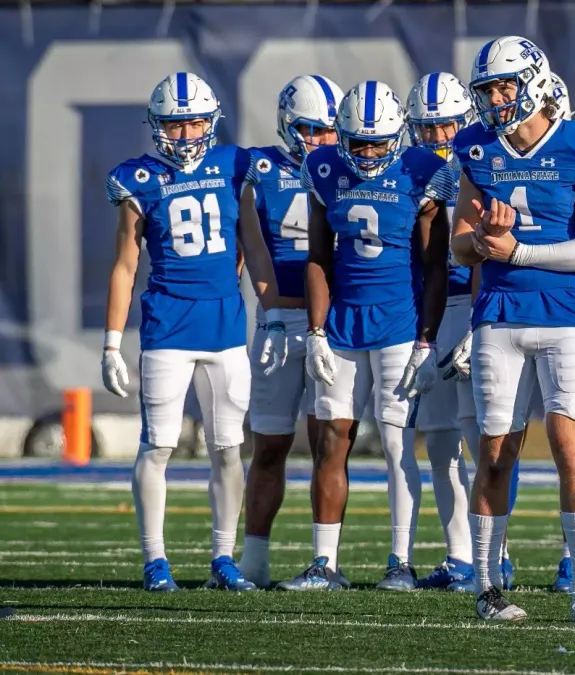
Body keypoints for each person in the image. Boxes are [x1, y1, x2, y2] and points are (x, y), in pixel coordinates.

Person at [450, 36, 575, 624]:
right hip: (498, 316)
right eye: (487, 90)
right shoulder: (474, 146)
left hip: (567, 318)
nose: (496, 99)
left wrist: (518, 251)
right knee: (495, 454)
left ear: (536, 83)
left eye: (504, 86)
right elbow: (461, 247)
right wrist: (481, 242)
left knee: (573, 452)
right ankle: (488, 588)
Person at [103, 72, 287, 592]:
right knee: (157, 447)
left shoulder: (234, 166)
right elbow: (124, 265)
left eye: (194, 123)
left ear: (211, 122)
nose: (184, 134)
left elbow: (254, 247)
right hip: (166, 327)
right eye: (174, 125)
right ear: (157, 126)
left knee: (228, 448)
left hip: (226, 327)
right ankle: (155, 560)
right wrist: (112, 342)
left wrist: (272, 314)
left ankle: (222, 559)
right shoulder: (137, 179)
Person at [277, 80, 453, 591]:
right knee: (332, 440)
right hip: (342, 325)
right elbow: (318, 257)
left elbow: (435, 267)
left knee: (398, 444)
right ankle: (324, 563)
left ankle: (400, 562)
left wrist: (427, 338)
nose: (370, 152)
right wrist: (315, 331)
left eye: (379, 142)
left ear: (398, 136)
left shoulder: (423, 172)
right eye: (359, 142)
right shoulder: (324, 168)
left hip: (399, 324)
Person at [239, 74, 346, 590]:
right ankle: (252, 559)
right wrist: (269, 311)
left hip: (332, 324)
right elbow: (243, 245)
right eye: (311, 129)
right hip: (279, 320)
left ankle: (325, 562)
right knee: (269, 445)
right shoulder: (257, 169)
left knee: (330, 441)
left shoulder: (352, 166)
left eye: (329, 131)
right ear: (287, 124)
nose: (322, 140)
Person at [404, 71, 479, 592]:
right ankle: (459, 555)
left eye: (447, 126)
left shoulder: (479, 165)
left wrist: (481, 317)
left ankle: (494, 554)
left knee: (487, 438)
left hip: (474, 305)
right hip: (425, 310)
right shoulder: (403, 172)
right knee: (439, 442)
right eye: (428, 130)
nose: (437, 138)